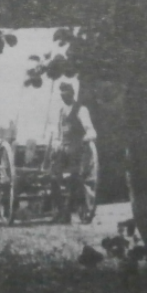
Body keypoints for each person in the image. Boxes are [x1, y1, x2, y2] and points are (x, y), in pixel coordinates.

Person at [50, 82, 97, 223]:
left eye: (67, 93)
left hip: (77, 150)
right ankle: (60, 210)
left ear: (72, 94)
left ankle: (68, 212)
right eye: (62, 94)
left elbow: (91, 131)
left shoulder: (81, 110)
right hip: (63, 150)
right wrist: (56, 142)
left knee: (73, 177)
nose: (64, 96)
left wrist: (85, 139)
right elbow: (58, 133)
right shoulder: (61, 112)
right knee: (53, 177)